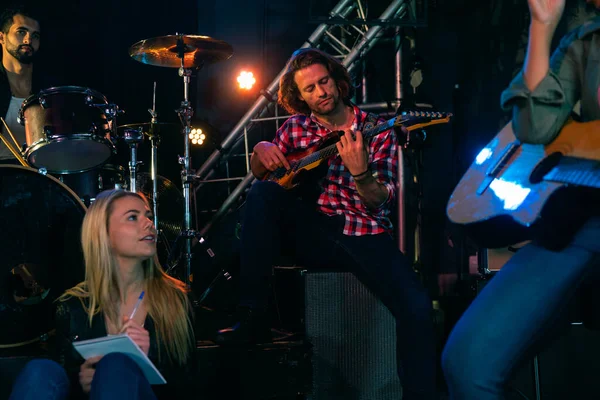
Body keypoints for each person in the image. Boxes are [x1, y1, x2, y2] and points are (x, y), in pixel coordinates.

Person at [216, 47, 438, 400]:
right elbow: (265, 172)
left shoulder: (374, 129)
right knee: (261, 193)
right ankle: (253, 314)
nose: (321, 92)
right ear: (299, 96)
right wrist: (259, 150)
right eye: (310, 89)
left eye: (324, 82)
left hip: (362, 233)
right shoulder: (294, 128)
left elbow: (381, 200)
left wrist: (361, 172)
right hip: (312, 233)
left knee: (417, 307)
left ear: (336, 81)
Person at [442, 0, 600, 398]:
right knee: (468, 362)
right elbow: (534, 127)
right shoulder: (586, 41)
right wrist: (542, 25)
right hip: (582, 218)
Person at [9, 189, 196, 400]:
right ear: (103, 234)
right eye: (133, 217)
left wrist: (148, 360)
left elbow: (188, 387)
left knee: (115, 365)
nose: (149, 224)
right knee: (40, 370)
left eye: (149, 216)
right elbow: (62, 382)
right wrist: (84, 382)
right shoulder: (73, 305)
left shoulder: (175, 299)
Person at [0, 4, 41, 163]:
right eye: (21, 32)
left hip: (40, 174)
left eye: (35, 35)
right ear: (2, 37)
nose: (28, 40)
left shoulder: (47, 88)